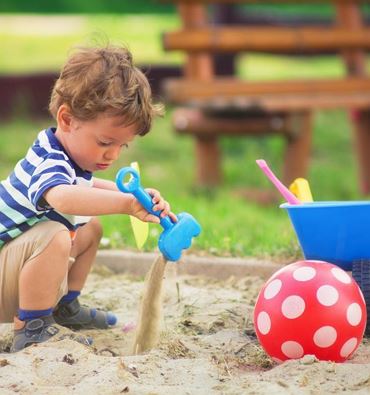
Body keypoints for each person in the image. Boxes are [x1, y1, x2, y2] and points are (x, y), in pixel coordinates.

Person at [0, 45, 177, 352]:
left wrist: (134, 195)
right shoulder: (49, 160)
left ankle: (64, 306)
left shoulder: (71, 157)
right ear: (67, 119)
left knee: (90, 227)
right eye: (106, 142)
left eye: (123, 146)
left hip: (12, 271)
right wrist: (124, 205)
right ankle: (32, 326)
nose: (113, 154)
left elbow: (89, 186)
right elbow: (64, 199)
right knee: (54, 235)